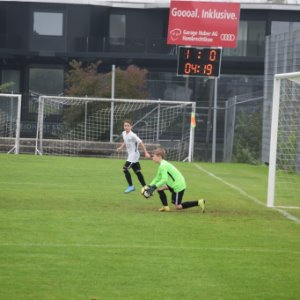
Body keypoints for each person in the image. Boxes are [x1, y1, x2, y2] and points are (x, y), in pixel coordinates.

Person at [145, 147, 206, 212]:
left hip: (178, 185)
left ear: (159, 156)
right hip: (174, 183)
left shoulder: (163, 166)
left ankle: (199, 202)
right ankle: (166, 207)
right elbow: (157, 178)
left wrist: (153, 187)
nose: (152, 158)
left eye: (153, 156)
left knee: (178, 206)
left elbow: (164, 180)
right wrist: (149, 186)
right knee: (160, 189)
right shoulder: (162, 164)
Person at [117, 119, 151, 193]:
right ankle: (145, 187)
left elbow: (141, 143)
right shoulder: (123, 133)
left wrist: (146, 152)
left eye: (128, 126)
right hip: (131, 155)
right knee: (137, 172)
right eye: (125, 125)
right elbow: (125, 141)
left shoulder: (133, 135)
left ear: (131, 127)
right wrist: (121, 147)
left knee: (125, 169)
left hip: (134, 155)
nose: (126, 127)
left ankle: (131, 186)